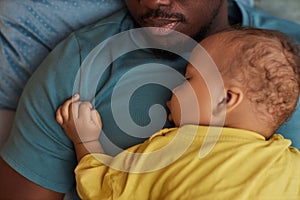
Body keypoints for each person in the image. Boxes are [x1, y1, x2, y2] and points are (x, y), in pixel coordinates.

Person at [1, 0, 300, 199]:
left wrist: (85, 141)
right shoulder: (82, 62)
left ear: (228, 99)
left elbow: (108, 189)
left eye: (188, 79)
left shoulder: (168, 153)